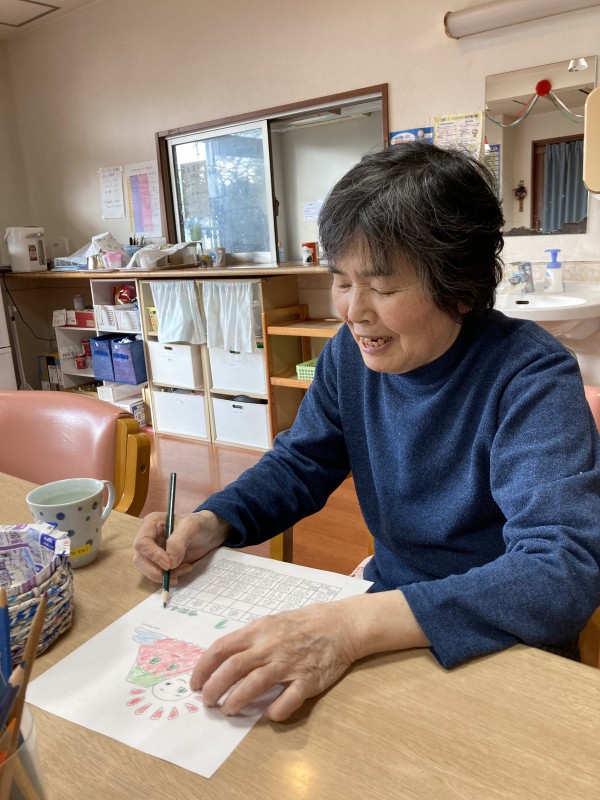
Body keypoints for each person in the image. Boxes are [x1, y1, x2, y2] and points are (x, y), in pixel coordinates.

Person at [134, 141, 600, 722]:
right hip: (386, 609)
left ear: (459, 288)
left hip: (500, 637)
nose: (353, 311)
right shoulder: (349, 358)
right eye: (341, 280)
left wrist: (352, 627)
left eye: (381, 288)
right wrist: (213, 521)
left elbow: (560, 571)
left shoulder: (529, 376)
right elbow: (300, 464)